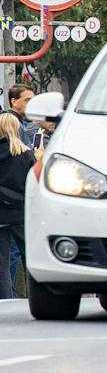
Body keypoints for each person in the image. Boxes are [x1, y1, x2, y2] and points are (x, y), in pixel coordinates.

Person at [0, 113, 32, 298]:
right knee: (31, 257)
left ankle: (5, 300)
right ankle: (35, 295)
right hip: (22, 213)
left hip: (1, 214)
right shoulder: (26, 154)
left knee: (2, 265)